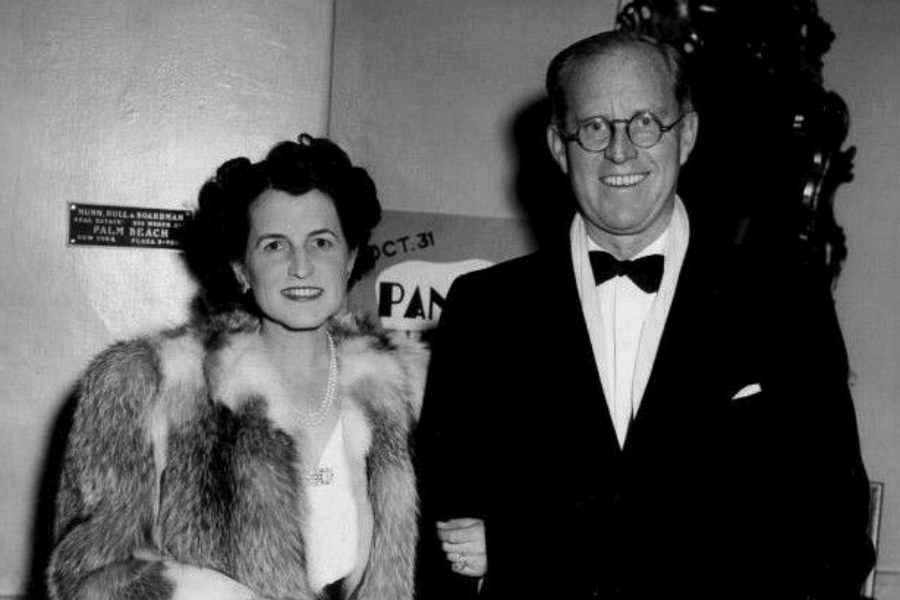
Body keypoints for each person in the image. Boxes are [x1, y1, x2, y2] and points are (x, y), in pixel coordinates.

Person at [416, 30, 874, 600]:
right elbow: (445, 545)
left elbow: (833, 533)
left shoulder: (783, 302)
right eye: (594, 127)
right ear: (559, 148)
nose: (620, 151)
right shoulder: (485, 310)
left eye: (646, 123)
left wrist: (521, 543)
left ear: (687, 135)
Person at [47, 134, 428, 600]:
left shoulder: (408, 388)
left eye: (322, 242)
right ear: (241, 268)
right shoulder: (146, 383)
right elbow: (85, 577)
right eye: (274, 246)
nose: (302, 266)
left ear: (349, 259)